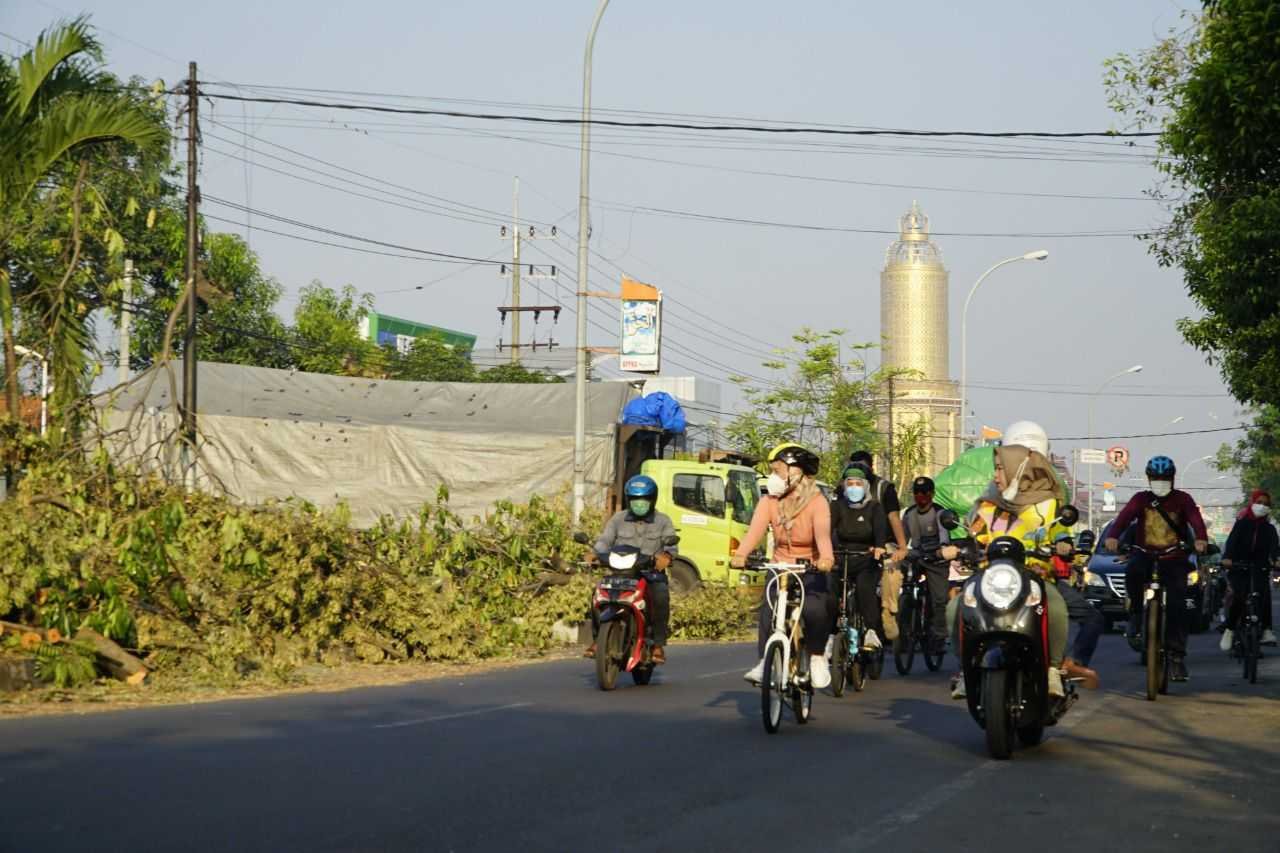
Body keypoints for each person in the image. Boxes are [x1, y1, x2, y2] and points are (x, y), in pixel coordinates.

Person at [944, 421, 1091, 699]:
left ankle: (1052, 669)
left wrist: (1062, 544)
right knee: (955, 608)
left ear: (1017, 470)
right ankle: (965, 670)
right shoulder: (987, 505)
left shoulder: (1047, 504)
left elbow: (1060, 531)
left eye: (1000, 468)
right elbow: (973, 534)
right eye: (996, 469)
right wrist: (957, 548)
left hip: (1034, 577)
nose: (996, 475)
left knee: (1057, 608)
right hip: (990, 578)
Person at [733, 443, 835, 688]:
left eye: (777, 470)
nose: (773, 477)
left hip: (809, 567)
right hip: (780, 566)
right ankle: (764, 663)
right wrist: (741, 554)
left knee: (814, 610)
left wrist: (826, 558)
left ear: (796, 471)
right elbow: (755, 531)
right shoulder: (769, 501)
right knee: (768, 612)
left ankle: (817, 657)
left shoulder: (817, 502)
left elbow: (823, 536)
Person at [1106, 455, 1208, 682]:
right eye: (1156, 478)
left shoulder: (1183, 500)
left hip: (1174, 558)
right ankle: (1135, 613)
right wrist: (1113, 536)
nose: (1160, 482)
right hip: (1144, 554)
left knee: (1177, 607)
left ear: (1172, 478)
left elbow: (1196, 520)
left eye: (1164, 478)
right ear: (1148, 478)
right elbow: (1123, 519)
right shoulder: (1140, 499)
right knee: (1132, 572)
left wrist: (1201, 539)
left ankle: (1176, 658)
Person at [583, 475, 675, 664]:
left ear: (652, 499)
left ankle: (658, 645)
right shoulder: (618, 519)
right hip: (620, 573)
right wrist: (595, 553)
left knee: (660, 596)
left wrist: (666, 556)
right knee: (597, 596)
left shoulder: (663, 521)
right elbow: (605, 540)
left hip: (650, 574)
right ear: (628, 500)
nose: (639, 504)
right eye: (635, 500)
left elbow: (671, 544)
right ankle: (598, 640)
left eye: (644, 499)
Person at [849, 450, 909, 639]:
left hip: (884, 543)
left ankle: (888, 613)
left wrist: (902, 547)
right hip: (853, 544)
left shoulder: (884, 488)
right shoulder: (844, 487)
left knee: (892, 572)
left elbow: (894, 517)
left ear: (871, 467)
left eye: (862, 467)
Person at [830, 463, 890, 651]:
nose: (853, 488)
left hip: (867, 558)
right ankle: (830, 634)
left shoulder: (874, 507)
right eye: (850, 484)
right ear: (844, 486)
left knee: (865, 589)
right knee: (830, 590)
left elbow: (880, 530)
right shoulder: (837, 506)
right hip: (841, 557)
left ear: (865, 486)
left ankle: (871, 631)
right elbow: (827, 529)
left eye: (858, 484)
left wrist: (879, 547)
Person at [891, 476, 951, 654]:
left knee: (939, 599)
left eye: (924, 492)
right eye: (916, 492)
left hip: (937, 559)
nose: (920, 496)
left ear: (932, 494)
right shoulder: (909, 514)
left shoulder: (940, 513)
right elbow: (902, 540)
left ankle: (939, 635)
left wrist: (942, 551)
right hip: (917, 556)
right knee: (898, 581)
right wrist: (896, 550)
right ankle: (903, 628)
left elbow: (945, 539)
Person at [1219, 489, 1278, 652]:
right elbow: (1231, 543)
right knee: (1239, 596)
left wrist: (1276, 560)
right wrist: (1227, 558)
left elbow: (1274, 549)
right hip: (1239, 566)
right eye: (1259, 502)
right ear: (1252, 504)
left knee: (1264, 595)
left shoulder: (1270, 529)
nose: (1262, 506)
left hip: (1259, 568)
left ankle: (1266, 630)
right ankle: (1230, 629)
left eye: (1266, 504)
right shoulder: (1241, 524)